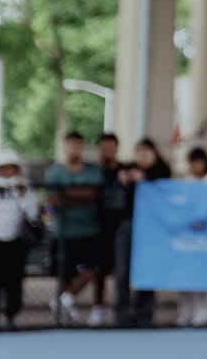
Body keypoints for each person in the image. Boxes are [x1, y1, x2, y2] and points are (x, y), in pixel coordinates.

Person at [44, 130, 104, 326]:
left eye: (79, 145)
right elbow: (55, 201)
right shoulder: (55, 171)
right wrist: (78, 195)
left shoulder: (93, 170)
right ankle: (64, 307)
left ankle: (64, 299)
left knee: (92, 268)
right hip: (64, 231)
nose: (75, 149)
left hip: (89, 229)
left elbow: (92, 193)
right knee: (64, 272)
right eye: (71, 145)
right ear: (65, 147)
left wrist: (67, 193)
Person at [114, 137, 172, 327]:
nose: (142, 157)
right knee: (123, 271)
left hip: (151, 228)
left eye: (146, 153)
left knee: (148, 270)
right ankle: (122, 314)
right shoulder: (128, 169)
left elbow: (164, 179)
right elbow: (118, 173)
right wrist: (125, 176)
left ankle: (144, 314)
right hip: (128, 224)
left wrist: (145, 178)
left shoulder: (161, 171)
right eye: (139, 153)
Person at [176, 147, 207, 327]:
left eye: (198, 162)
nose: (195, 166)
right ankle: (187, 310)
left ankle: (205, 311)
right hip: (190, 236)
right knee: (187, 274)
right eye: (192, 163)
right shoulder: (187, 182)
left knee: (205, 274)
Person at [0, 150, 39, 331]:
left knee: (14, 280)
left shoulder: (23, 186)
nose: (6, 170)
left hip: (14, 240)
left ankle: (11, 315)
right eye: (2, 167)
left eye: (9, 166)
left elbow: (33, 213)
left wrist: (22, 193)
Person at [94, 132, 125, 327]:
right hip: (98, 227)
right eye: (104, 148)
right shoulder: (93, 172)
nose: (108, 151)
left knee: (122, 270)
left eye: (111, 147)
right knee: (99, 270)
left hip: (121, 227)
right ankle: (98, 308)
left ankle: (122, 309)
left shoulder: (126, 170)